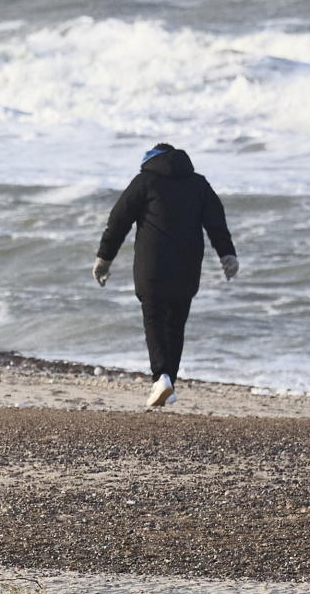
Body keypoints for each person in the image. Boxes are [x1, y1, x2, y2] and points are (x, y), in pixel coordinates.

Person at [93, 141, 236, 408]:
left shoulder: (145, 181)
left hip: (152, 266)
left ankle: (161, 378)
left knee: (155, 319)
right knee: (175, 324)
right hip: (187, 268)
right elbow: (216, 222)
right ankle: (168, 382)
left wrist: (104, 258)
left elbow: (118, 220)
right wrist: (227, 255)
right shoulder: (198, 184)